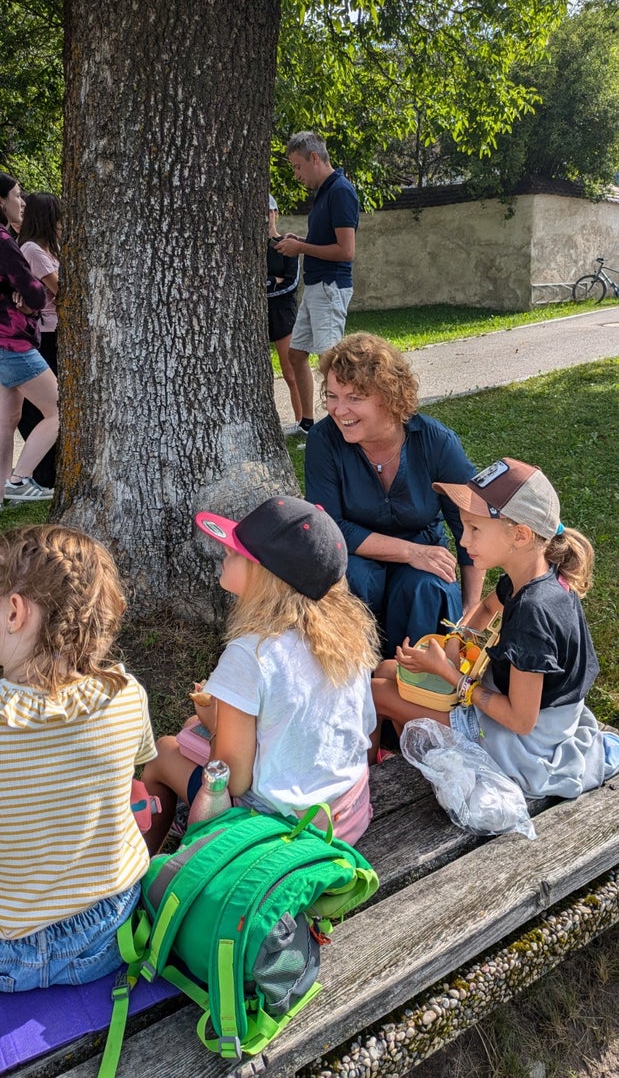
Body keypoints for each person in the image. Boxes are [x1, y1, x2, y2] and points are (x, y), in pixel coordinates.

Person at [142, 495, 380, 853]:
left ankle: (143, 873)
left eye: (236, 551)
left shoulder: (251, 653)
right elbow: (360, 727)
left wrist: (217, 723)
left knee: (162, 752)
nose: (225, 552)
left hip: (279, 834)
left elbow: (233, 780)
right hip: (345, 817)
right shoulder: (350, 637)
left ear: (266, 574)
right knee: (195, 726)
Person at [372, 457, 619, 799]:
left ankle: (364, 795)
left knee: (376, 693)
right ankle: (425, 756)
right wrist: (459, 639)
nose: (463, 540)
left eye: (475, 529)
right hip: (517, 714)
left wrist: (449, 674)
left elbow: (520, 721)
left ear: (520, 535)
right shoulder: (533, 574)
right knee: (387, 670)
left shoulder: (534, 614)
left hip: (523, 746)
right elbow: (487, 607)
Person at [0, 524, 157, 990]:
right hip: (108, 934)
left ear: (15, 612)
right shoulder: (127, 696)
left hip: (11, 955)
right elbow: (131, 783)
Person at [304, 333, 484, 658]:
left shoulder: (436, 442)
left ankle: (419, 692)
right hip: (356, 555)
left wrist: (471, 607)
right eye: (332, 396)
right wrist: (411, 552)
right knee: (352, 579)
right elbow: (329, 528)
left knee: (430, 587)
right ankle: (358, 683)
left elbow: (470, 522)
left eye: (354, 398)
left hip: (422, 551)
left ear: (388, 397)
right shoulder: (323, 441)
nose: (338, 410)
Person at [275, 132, 359, 438]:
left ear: (314, 158)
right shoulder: (324, 192)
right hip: (315, 287)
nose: (296, 175)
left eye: (297, 167)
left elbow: (345, 251)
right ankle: (309, 424)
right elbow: (326, 243)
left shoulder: (341, 192)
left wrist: (302, 249)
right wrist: (302, 241)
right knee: (296, 354)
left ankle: (343, 425)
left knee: (332, 363)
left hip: (330, 287)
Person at [0, 172, 58, 501]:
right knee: (59, 410)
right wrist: (23, 296)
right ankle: (20, 480)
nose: (21, 202)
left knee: (7, 421)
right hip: (13, 341)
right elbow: (36, 294)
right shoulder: (5, 241)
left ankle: (3, 493)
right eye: (16, 195)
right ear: (1, 201)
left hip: (5, 341)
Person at [18, 192, 62, 489]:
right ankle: (38, 474)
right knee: (45, 406)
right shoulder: (33, 249)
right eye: (58, 218)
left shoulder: (47, 249)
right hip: (44, 334)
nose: (62, 225)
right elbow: (60, 287)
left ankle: (45, 472)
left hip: (54, 330)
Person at [267, 194, 302, 426]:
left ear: (276, 213)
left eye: (269, 211)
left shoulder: (287, 246)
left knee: (290, 372)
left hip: (283, 314)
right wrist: (272, 280)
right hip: (259, 315)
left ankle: (301, 420)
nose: (265, 216)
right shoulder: (250, 249)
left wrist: (268, 284)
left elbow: (290, 284)